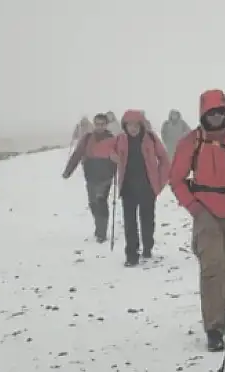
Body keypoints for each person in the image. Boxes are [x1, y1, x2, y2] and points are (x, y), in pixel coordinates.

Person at [169, 90, 225, 351]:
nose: (215, 118)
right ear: (203, 115)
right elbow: (177, 179)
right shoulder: (191, 142)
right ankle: (214, 327)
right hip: (205, 212)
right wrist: (194, 207)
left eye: (220, 113)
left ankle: (219, 305)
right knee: (211, 267)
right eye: (210, 113)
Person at [112, 110, 168, 267]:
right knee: (129, 223)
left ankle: (148, 246)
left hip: (147, 187)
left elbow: (164, 159)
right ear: (125, 126)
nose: (133, 128)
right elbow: (110, 151)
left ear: (142, 125)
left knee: (147, 220)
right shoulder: (120, 139)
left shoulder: (151, 138)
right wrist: (112, 157)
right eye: (129, 125)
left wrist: (160, 182)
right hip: (128, 188)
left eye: (136, 125)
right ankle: (131, 254)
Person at [63, 112, 120, 242]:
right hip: (91, 176)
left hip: (106, 176)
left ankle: (102, 233)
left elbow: (119, 157)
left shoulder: (112, 139)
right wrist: (68, 171)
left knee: (101, 202)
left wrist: (118, 168)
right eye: (97, 124)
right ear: (94, 124)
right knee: (93, 204)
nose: (99, 126)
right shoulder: (88, 138)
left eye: (102, 124)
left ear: (106, 125)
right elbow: (77, 154)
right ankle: (98, 226)